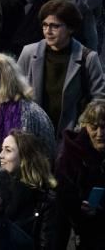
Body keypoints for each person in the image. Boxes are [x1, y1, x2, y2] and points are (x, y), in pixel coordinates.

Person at [18, 0, 105, 136]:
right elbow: (15, 93)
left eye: (55, 26)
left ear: (70, 28)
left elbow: (99, 100)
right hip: (32, 132)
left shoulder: (88, 58)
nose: (48, 31)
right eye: (45, 25)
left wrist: (81, 128)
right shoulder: (29, 53)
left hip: (71, 135)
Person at [55, 99, 105, 248]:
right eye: (94, 127)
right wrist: (79, 208)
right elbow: (61, 201)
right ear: (85, 127)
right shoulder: (70, 156)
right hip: (78, 231)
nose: (99, 133)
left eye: (104, 127)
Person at [0, 129, 58, 247]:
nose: (0, 155)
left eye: (8, 150)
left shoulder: (46, 201)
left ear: (25, 157)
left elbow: (46, 244)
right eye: (2, 149)